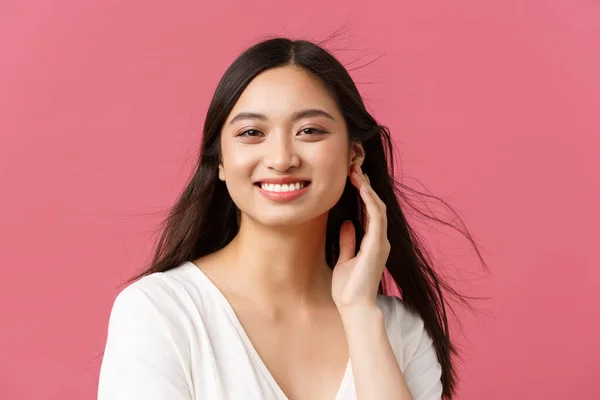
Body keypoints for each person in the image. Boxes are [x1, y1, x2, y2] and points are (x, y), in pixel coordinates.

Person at [97, 36, 484, 400]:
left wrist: (360, 315)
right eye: (252, 132)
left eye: (310, 131)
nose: (282, 159)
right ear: (219, 161)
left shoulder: (400, 332)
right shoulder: (160, 314)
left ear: (354, 154)